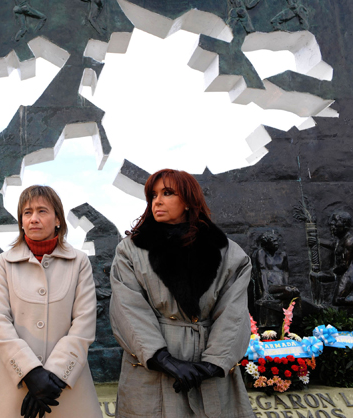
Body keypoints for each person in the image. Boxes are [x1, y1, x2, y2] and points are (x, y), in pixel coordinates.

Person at [109, 169, 254, 418]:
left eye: (167, 193)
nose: (157, 201)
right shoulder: (130, 251)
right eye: (153, 195)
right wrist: (163, 359)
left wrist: (210, 365)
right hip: (152, 369)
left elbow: (234, 314)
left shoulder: (231, 254)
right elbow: (127, 309)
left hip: (209, 367)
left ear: (188, 200)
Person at [0, 185, 101, 418]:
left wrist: (54, 377)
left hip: (66, 388)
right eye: (27, 213)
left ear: (58, 219)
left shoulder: (79, 262)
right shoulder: (4, 262)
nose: (33, 219)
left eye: (42, 211)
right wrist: (31, 373)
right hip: (14, 385)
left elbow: (84, 323)